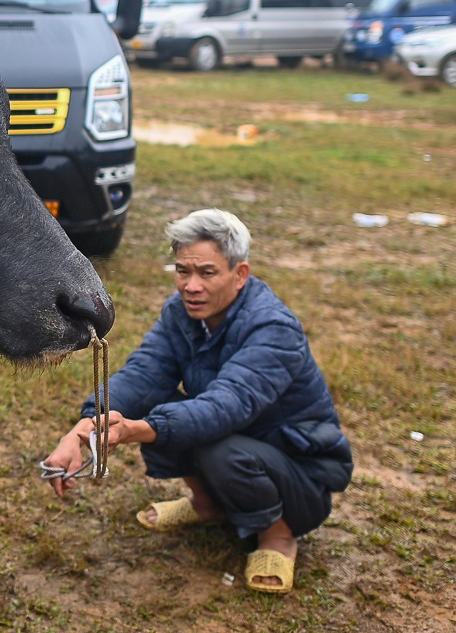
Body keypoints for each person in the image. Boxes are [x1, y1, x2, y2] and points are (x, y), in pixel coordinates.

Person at [42, 208, 352, 594]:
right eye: (182, 271)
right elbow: (144, 374)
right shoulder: (181, 314)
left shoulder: (273, 328)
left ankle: (278, 536)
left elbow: (227, 405)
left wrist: (141, 430)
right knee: (162, 407)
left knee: (207, 441)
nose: (191, 285)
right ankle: (208, 505)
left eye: (207, 272)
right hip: (237, 441)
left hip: (298, 474)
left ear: (240, 275)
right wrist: (86, 425)